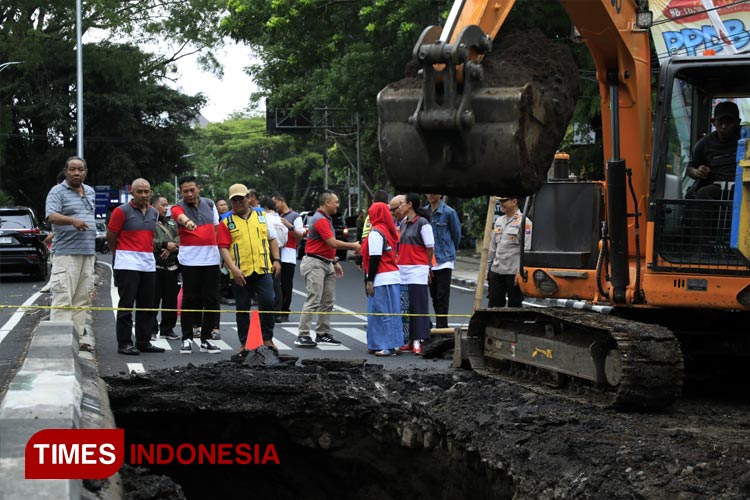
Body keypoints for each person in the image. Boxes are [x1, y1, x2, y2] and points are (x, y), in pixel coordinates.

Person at [218, 185, 282, 355]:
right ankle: (244, 342)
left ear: (248, 198)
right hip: (240, 273)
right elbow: (223, 248)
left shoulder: (262, 216)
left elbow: (272, 239)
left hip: (262, 269)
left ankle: (267, 339)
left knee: (268, 302)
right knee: (242, 307)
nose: (238, 202)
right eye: (234, 200)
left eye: (241, 198)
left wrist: (276, 260)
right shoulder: (226, 222)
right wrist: (233, 269)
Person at [294, 190, 361, 348]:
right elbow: (332, 243)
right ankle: (303, 334)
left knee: (328, 300)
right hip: (315, 263)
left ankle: (323, 333)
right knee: (314, 299)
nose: (338, 205)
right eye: (336, 202)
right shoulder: (320, 220)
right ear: (327, 203)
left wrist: (334, 260)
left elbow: (325, 245)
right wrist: (353, 246)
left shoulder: (326, 218)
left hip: (326, 262)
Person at [106, 179, 164, 355]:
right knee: (126, 304)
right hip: (127, 263)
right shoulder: (121, 211)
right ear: (132, 192)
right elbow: (111, 236)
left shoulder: (154, 212)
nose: (144, 195)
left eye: (147, 191)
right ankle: (124, 343)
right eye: (140, 192)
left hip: (148, 263)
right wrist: (118, 254)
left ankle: (143, 341)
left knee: (147, 305)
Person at [45, 156, 97, 338]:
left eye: (80, 169)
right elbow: (51, 216)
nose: (76, 173)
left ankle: (77, 338)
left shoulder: (90, 191)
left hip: (88, 252)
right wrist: (72, 220)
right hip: (66, 254)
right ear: (66, 171)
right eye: (72, 169)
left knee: (82, 299)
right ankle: (59, 340)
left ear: (85, 172)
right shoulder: (57, 191)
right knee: (63, 297)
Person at [170, 175, 222, 354]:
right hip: (190, 260)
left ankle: (206, 338)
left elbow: (217, 229)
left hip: (212, 259)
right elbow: (180, 217)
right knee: (190, 299)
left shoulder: (209, 204)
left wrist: (221, 254)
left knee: (211, 299)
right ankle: (187, 338)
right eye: (185, 191)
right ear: (181, 191)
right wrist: (188, 223)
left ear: (198, 188)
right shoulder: (177, 207)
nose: (189, 194)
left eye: (192, 190)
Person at [393, 193, 434, 355]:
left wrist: (427, 266)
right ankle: (408, 338)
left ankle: (419, 339)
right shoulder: (402, 223)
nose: (400, 206)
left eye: (402, 203)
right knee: (405, 307)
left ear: (410, 205)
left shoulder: (423, 223)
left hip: (417, 269)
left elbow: (430, 247)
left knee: (418, 305)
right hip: (402, 269)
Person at [362, 202, 402, 356]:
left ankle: (388, 345)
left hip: (381, 278)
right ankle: (378, 343)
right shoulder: (387, 230)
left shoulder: (376, 232)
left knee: (383, 313)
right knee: (382, 313)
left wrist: (370, 280)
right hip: (390, 276)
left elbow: (375, 257)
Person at [685, 101, 741, 200]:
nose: (724, 126)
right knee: (703, 194)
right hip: (718, 187)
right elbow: (690, 169)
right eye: (720, 122)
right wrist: (697, 172)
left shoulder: (746, 138)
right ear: (713, 122)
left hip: (745, 185)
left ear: (738, 122)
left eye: (729, 122)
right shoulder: (703, 144)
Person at [487, 196, 532, 308]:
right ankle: (495, 325)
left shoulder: (524, 222)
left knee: (514, 304)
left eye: (504, 201)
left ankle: (513, 325)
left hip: (513, 271)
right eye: (500, 201)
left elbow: (526, 249)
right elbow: (493, 246)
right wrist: (488, 268)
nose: (501, 204)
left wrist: (520, 272)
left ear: (514, 202)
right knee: (494, 302)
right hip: (497, 269)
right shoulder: (499, 221)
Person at [425, 193, 461, 329]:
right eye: (428, 193)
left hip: (444, 260)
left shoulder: (449, 212)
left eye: (433, 193)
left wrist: (450, 250)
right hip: (429, 260)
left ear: (440, 194)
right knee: (433, 295)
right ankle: (438, 326)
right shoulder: (424, 212)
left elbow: (456, 234)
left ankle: (442, 327)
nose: (430, 195)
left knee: (442, 296)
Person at [150, 194, 181, 341]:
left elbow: (180, 237)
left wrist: (171, 247)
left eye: (167, 205)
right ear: (153, 206)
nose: (166, 208)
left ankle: (167, 329)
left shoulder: (173, 223)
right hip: (155, 267)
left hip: (172, 267)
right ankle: (151, 329)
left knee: (171, 300)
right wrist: (164, 245)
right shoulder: (149, 222)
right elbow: (149, 240)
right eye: (162, 205)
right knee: (152, 299)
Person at [273, 193, 304, 322]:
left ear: (282, 200)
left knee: (286, 284)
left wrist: (289, 225)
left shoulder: (295, 216)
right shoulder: (274, 216)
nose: (274, 206)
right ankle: (276, 310)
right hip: (276, 254)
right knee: (276, 284)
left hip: (288, 254)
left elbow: (300, 235)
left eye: (275, 203)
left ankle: (284, 311)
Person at [261, 197, 288, 320]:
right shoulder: (280, 220)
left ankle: (268, 311)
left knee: (265, 283)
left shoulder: (264, 218)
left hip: (267, 251)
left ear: (265, 207)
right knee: (277, 283)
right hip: (279, 253)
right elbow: (285, 239)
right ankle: (277, 311)